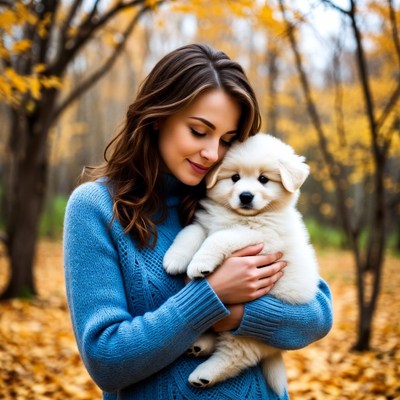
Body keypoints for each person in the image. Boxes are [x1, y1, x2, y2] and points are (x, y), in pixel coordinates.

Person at [63, 43, 333, 400]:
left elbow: (317, 315)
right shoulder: (96, 208)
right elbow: (106, 360)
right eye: (199, 131)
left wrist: (236, 315)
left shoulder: (230, 197)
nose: (213, 154)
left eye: (227, 140)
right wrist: (211, 297)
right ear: (157, 117)